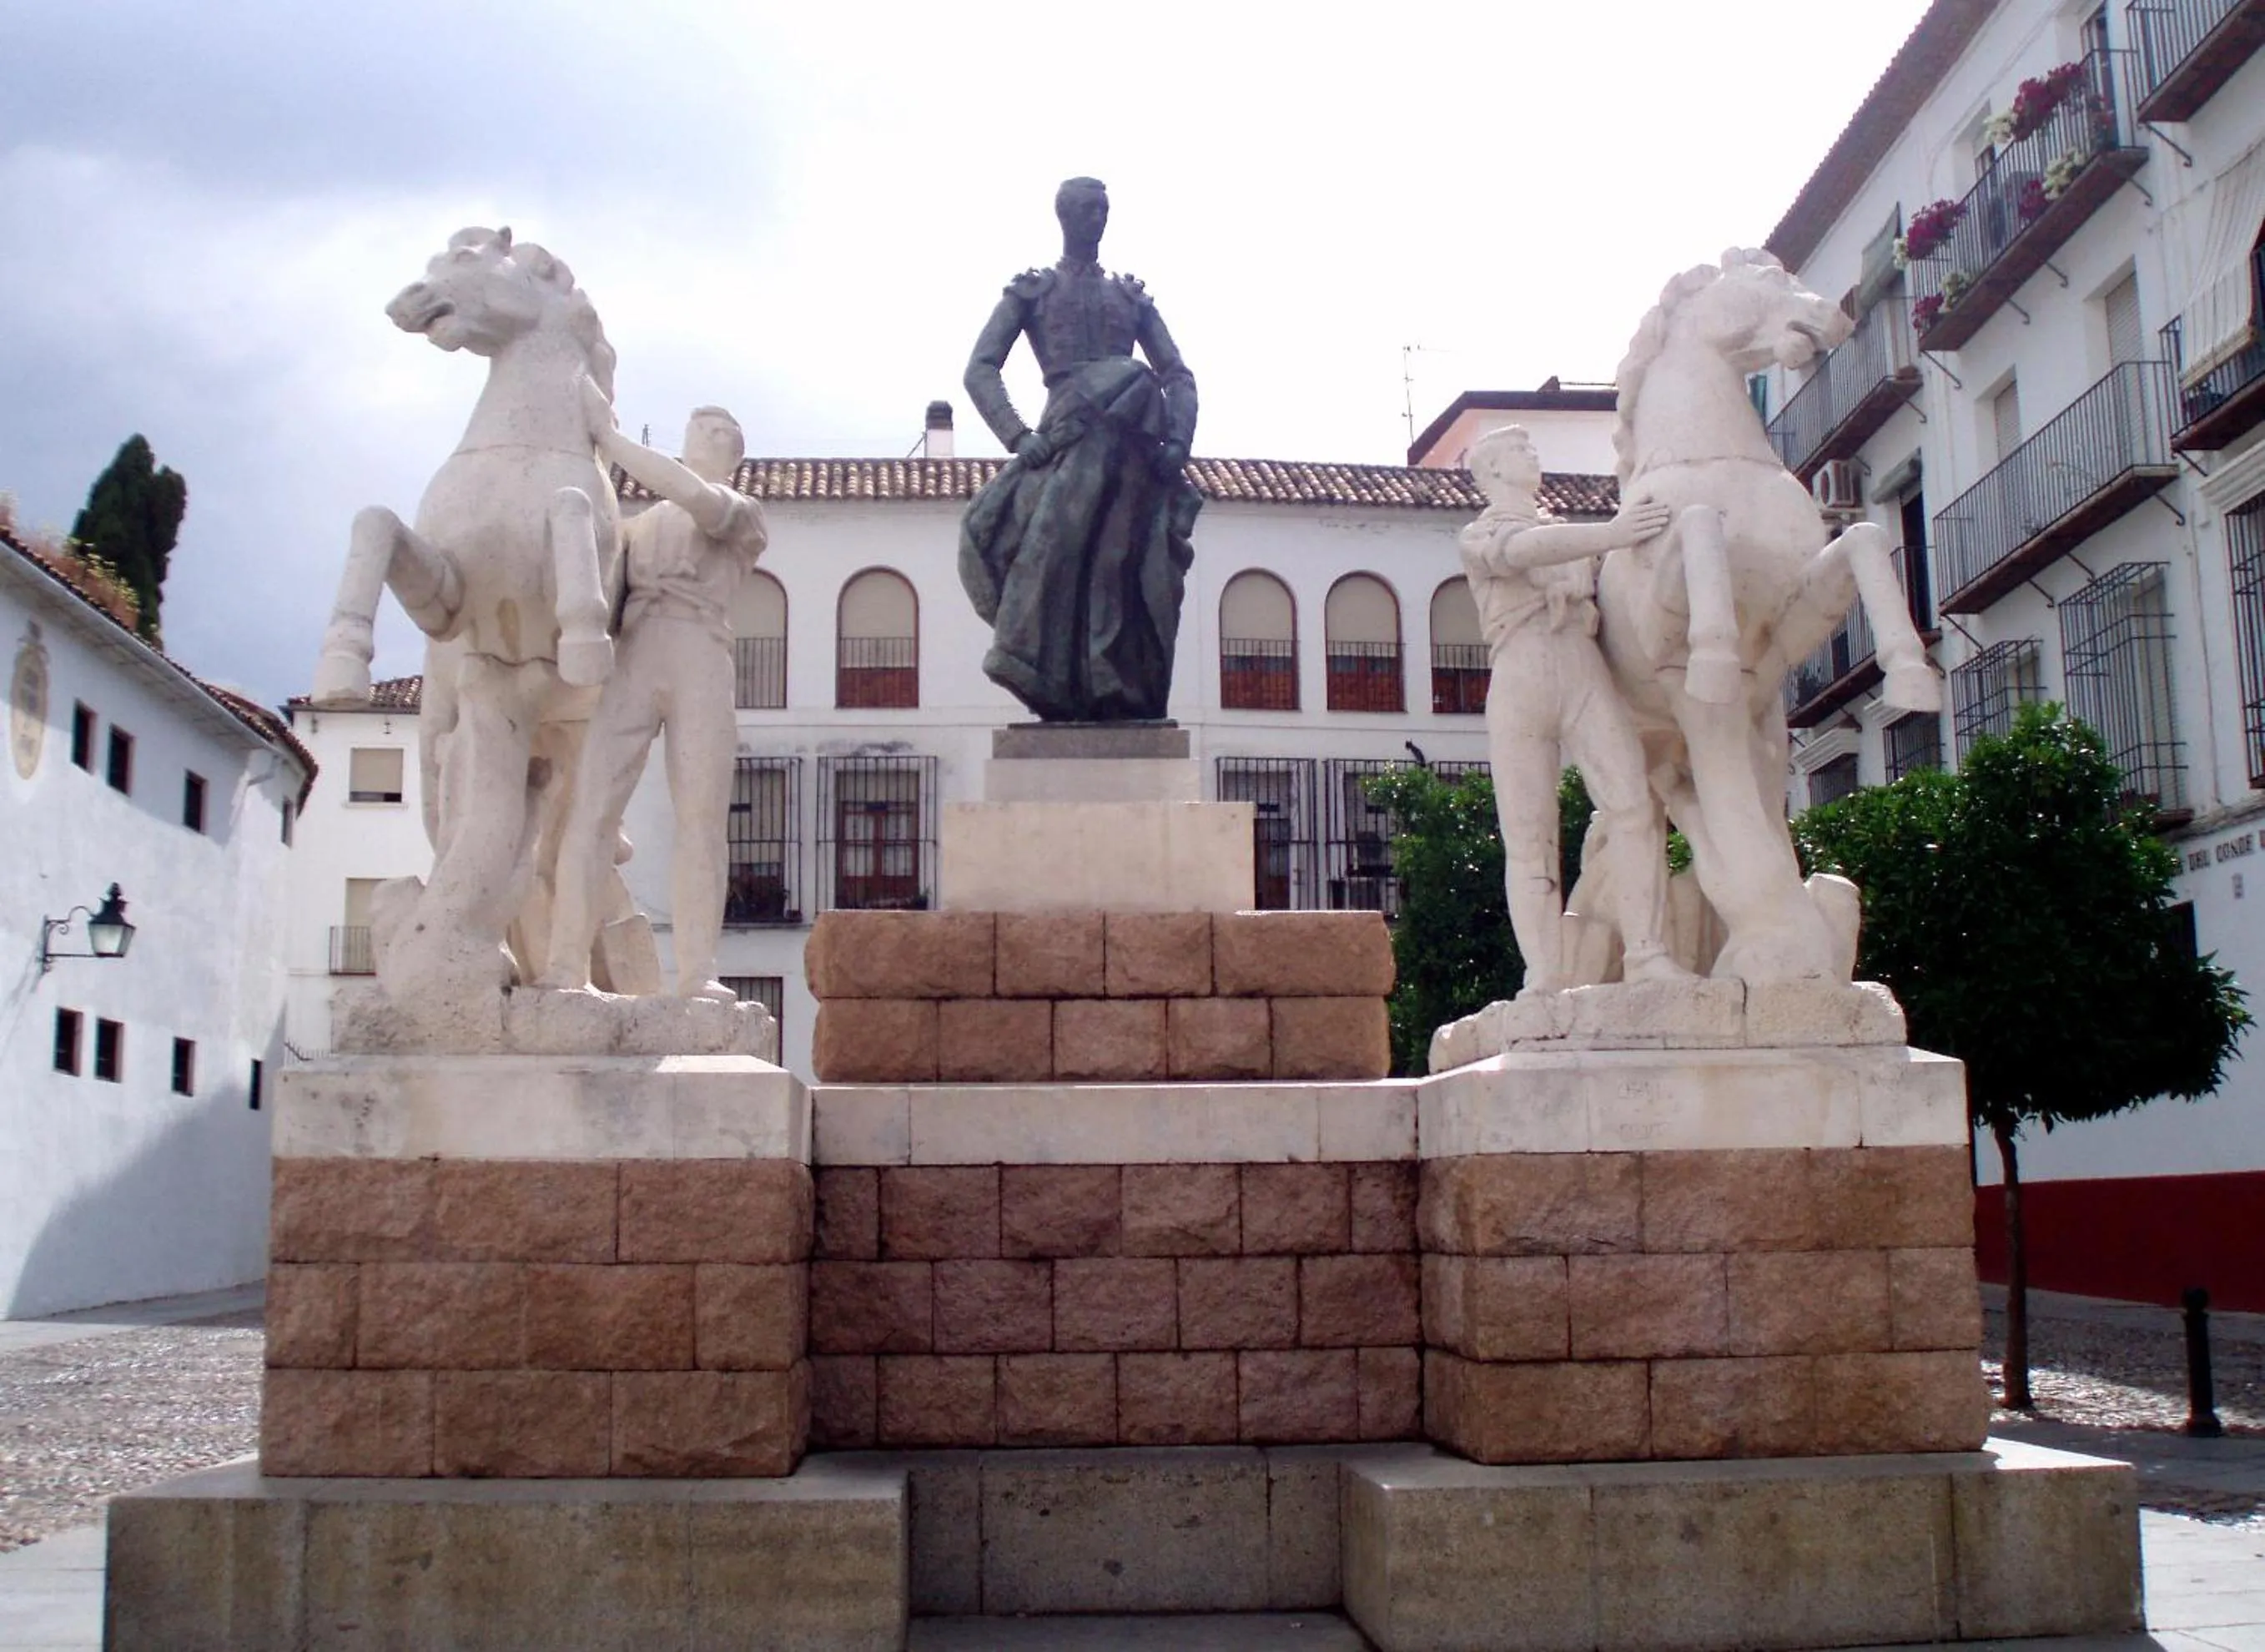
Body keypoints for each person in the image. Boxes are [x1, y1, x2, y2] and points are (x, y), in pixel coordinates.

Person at [542, 388, 768, 1000]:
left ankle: (698, 973)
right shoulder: (636, 528)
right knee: (591, 809)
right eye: (702, 427)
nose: (708, 436)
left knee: (700, 819)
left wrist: (610, 442)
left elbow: (694, 496)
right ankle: (566, 966)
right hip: (636, 652)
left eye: (722, 433)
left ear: (735, 459)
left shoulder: (740, 513)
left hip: (700, 649)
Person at [959, 177, 1200, 722]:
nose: (1098, 218)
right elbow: (979, 368)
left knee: (1117, 566)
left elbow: (1176, 373)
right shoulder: (1034, 292)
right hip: (1067, 438)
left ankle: (1112, 683)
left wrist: (1178, 442)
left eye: (1104, 209)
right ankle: (1049, 672)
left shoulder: (1130, 297)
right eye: (1088, 209)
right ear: (1063, 216)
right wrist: (1020, 437)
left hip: (1134, 445)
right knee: (1046, 550)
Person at [1459, 425, 1686, 993]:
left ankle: (1646, 955)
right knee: (1530, 837)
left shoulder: (1566, 534)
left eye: (1531, 446)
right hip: (1521, 671)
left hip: (1581, 664)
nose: (1531, 453)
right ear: (1489, 473)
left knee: (1633, 805)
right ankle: (1544, 972)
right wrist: (1611, 533)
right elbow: (1519, 553)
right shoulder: (1479, 533)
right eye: (1517, 449)